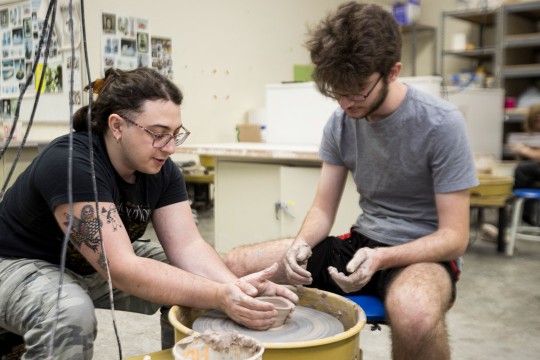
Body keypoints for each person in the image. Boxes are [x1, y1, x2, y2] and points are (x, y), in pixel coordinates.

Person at [224, 3, 478, 360]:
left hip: (422, 254)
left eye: (357, 91)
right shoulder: (341, 121)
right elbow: (322, 209)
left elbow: (455, 238)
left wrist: (384, 257)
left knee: (415, 313)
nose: (345, 103)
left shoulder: (441, 124)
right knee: (235, 265)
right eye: (335, 91)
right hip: (362, 244)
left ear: (393, 72)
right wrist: (301, 245)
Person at [0, 67, 297, 359]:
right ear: (117, 126)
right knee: (68, 313)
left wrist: (236, 288)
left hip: (91, 267)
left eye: (175, 135)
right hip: (18, 264)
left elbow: (188, 246)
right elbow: (121, 267)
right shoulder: (70, 162)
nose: (169, 148)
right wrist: (218, 294)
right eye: (158, 134)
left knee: (193, 280)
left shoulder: (162, 170)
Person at [509, 103, 540, 225]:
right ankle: (524, 217)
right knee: (527, 176)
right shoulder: (530, 137)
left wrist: (524, 150)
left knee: (522, 169)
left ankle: (518, 208)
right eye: (535, 119)